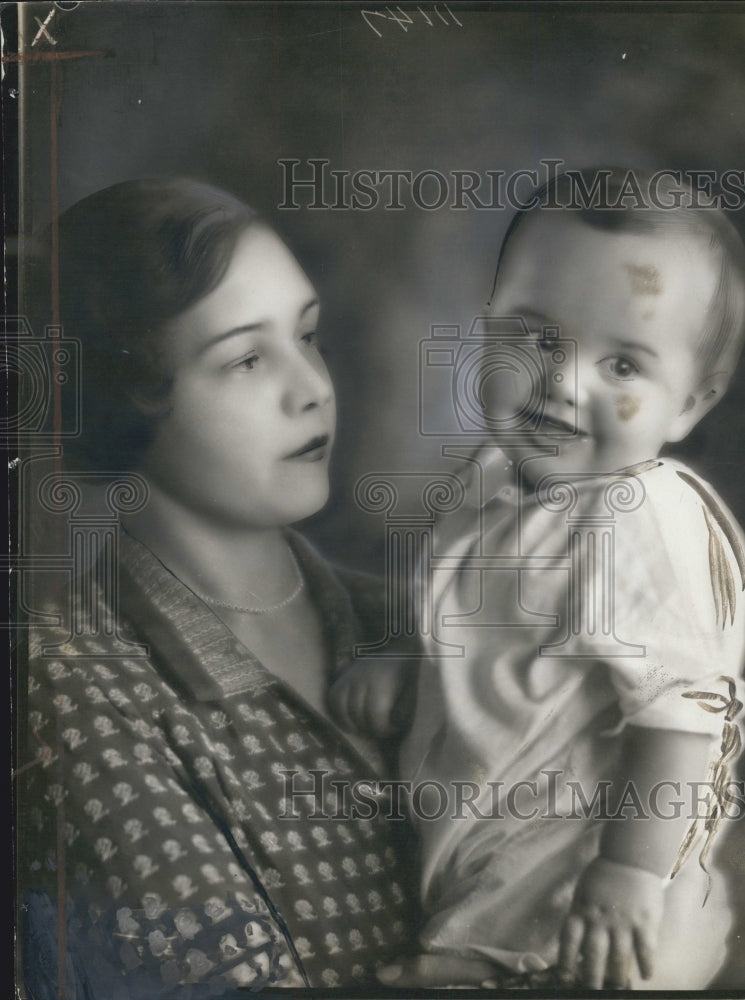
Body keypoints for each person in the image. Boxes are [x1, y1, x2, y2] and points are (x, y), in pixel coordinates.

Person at [17, 178, 500, 997]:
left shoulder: (406, 616)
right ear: (122, 398)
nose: (312, 386)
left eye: (306, 335)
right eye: (245, 359)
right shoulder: (67, 679)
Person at [329, 168, 745, 989]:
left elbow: (681, 722)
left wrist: (629, 872)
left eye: (621, 365)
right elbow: (472, 613)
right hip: (493, 861)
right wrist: (411, 662)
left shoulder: (638, 520)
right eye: (539, 339)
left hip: (595, 903)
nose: (561, 382)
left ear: (689, 404)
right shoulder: (488, 479)